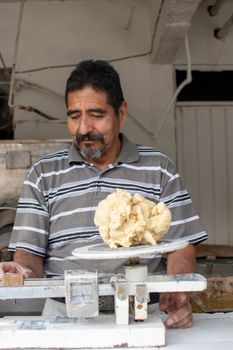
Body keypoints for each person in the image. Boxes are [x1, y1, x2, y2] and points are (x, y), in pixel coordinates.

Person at [0, 59, 207, 328]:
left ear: (121, 113)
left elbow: (181, 247)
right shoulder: (43, 174)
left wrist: (177, 293)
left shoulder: (159, 168)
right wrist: (22, 272)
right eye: (74, 116)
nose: (84, 128)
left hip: (146, 313)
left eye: (96, 115)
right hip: (65, 317)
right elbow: (28, 254)